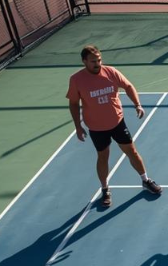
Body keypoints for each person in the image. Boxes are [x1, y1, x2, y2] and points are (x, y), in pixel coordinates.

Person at [67, 45, 162, 208]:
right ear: (84, 61)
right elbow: (74, 103)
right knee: (103, 157)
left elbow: (128, 86)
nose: (97, 64)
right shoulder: (76, 80)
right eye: (93, 61)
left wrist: (137, 104)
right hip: (97, 128)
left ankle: (145, 180)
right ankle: (105, 189)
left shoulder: (111, 72)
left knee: (132, 151)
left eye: (99, 60)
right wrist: (78, 126)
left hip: (117, 123)